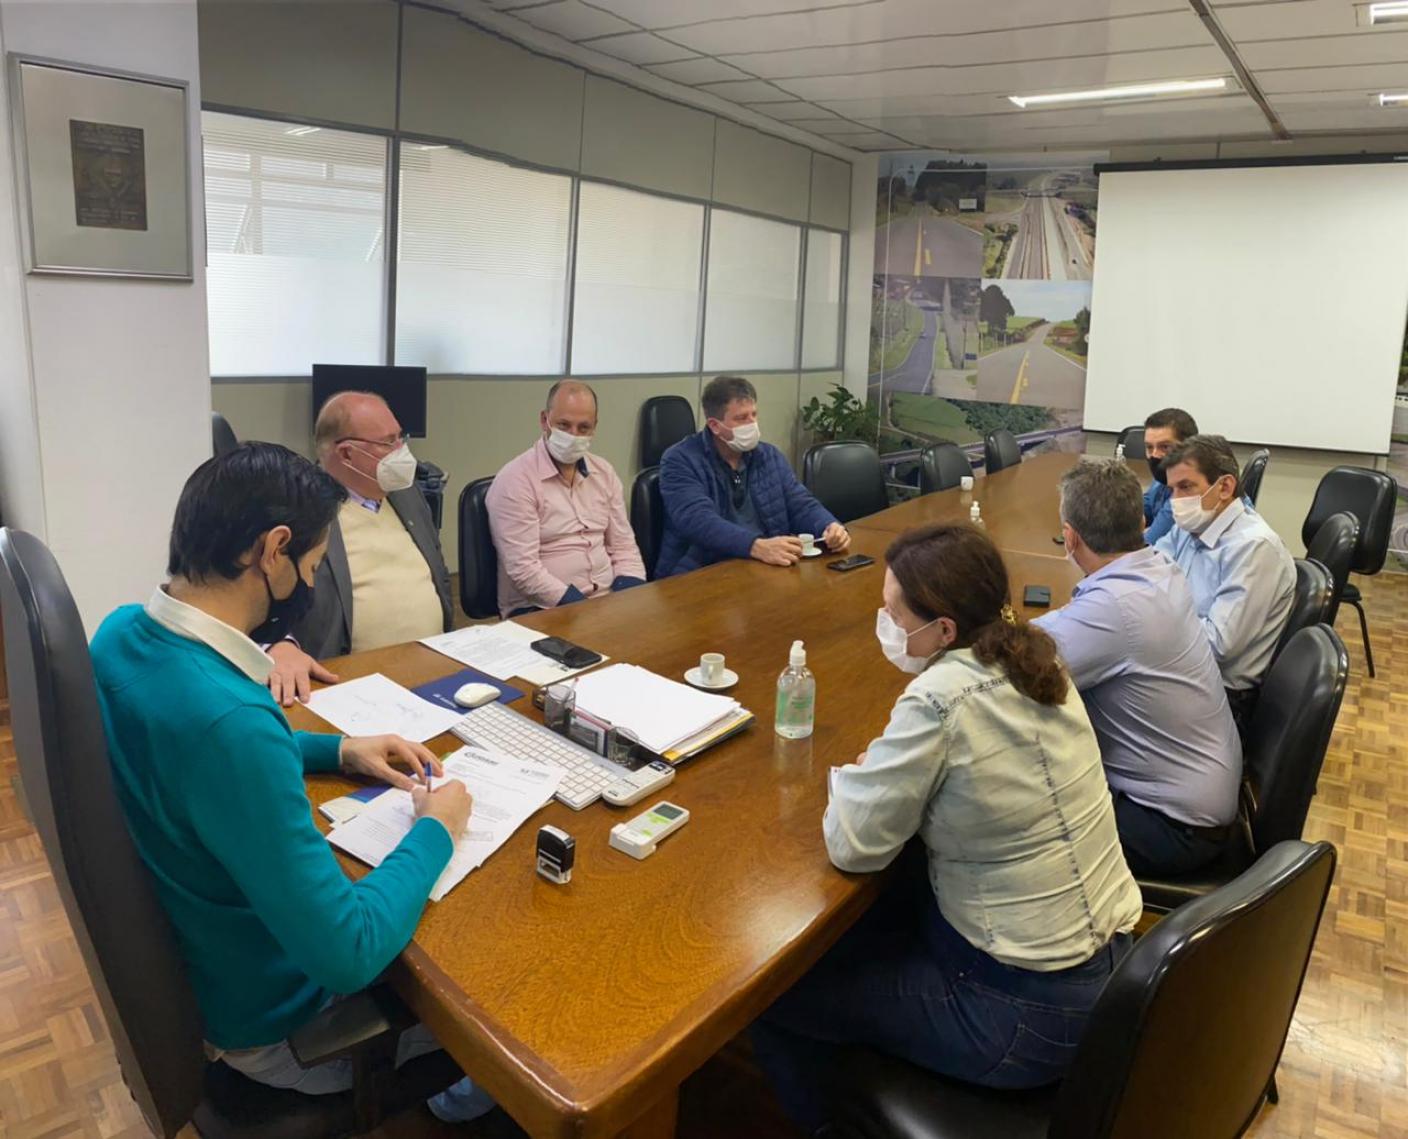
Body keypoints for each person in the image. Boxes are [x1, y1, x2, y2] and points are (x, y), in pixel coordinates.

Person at [88, 443, 492, 1121]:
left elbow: (188, 745)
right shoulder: (232, 724)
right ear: (273, 550)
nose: (309, 584)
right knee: (505, 987)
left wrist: (340, 749)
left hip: (206, 967)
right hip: (286, 1036)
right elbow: (350, 951)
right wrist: (437, 828)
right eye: (311, 564)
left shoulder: (120, 634)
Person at [752, 524, 1141, 1133]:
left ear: (945, 630)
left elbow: (852, 845)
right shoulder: (1039, 661)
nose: (886, 624)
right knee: (891, 904)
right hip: (1114, 979)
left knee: (772, 996)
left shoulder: (940, 697)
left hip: (1019, 1017)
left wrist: (865, 777)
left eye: (894, 614)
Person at [1036, 459, 1241, 876]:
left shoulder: (1115, 608)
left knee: (1006, 813)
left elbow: (1011, 668)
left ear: (1070, 538)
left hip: (1171, 828)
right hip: (1198, 796)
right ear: (1142, 523)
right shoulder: (1160, 569)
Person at [265, 391, 452, 706]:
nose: (402, 451)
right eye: (388, 442)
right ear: (347, 454)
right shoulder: (299, 511)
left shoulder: (406, 495)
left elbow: (440, 575)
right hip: (351, 681)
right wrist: (280, 643)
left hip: (434, 667)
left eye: (401, 438)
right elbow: (259, 601)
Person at [1155, 434, 1295, 727]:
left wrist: (1153, 616)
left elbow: (1217, 645)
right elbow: (1149, 574)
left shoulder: (1254, 548)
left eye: (1186, 487)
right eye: (1172, 490)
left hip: (1221, 699)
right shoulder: (1193, 525)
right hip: (1183, 672)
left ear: (1225, 487)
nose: (1176, 501)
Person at [655, 375, 851, 578]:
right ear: (714, 426)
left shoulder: (769, 455)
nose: (751, 423)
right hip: (701, 571)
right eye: (741, 418)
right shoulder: (680, 460)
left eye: (754, 415)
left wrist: (829, 526)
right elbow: (698, 520)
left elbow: (800, 504)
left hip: (764, 567)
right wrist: (755, 546)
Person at [485, 381, 646, 618]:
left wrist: (630, 597)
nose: (573, 435)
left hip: (605, 600)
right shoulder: (515, 480)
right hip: (542, 609)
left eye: (583, 427)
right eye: (564, 425)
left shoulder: (604, 473)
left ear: (594, 427)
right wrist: (585, 611)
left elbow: (623, 546)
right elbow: (524, 571)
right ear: (545, 420)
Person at [1140, 407, 1198, 546]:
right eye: (1149, 447)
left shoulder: (1190, 489)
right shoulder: (1162, 478)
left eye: (1165, 447)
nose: (1155, 455)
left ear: (1189, 447)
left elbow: (1148, 544)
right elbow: (1136, 511)